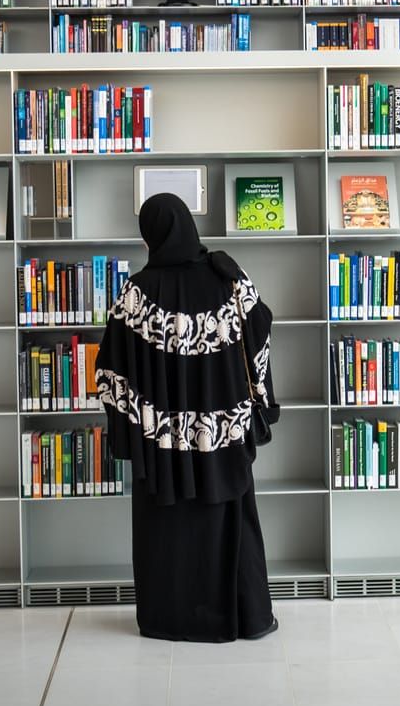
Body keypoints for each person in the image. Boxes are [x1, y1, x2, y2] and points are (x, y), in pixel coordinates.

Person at [95, 193, 281, 643]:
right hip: (222, 436)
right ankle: (248, 618)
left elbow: (109, 371)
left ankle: (168, 621)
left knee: (166, 533)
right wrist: (258, 400)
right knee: (233, 521)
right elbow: (259, 331)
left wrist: (137, 427)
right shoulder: (228, 276)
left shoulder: (137, 292)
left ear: (150, 235)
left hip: (163, 447)